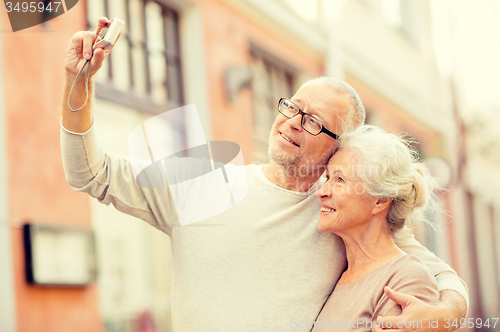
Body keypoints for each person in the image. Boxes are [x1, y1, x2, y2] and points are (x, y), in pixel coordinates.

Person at [60, 17, 468, 331]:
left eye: (313, 121)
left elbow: (437, 275)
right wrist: (78, 86)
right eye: (292, 107)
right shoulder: (202, 182)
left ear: (337, 149)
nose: (292, 121)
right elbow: (91, 173)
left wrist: (448, 311)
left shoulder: (341, 214)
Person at [311, 125, 440, 331]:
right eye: (327, 178)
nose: (322, 192)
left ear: (380, 201)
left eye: (339, 179)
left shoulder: (406, 278)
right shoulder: (339, 274)